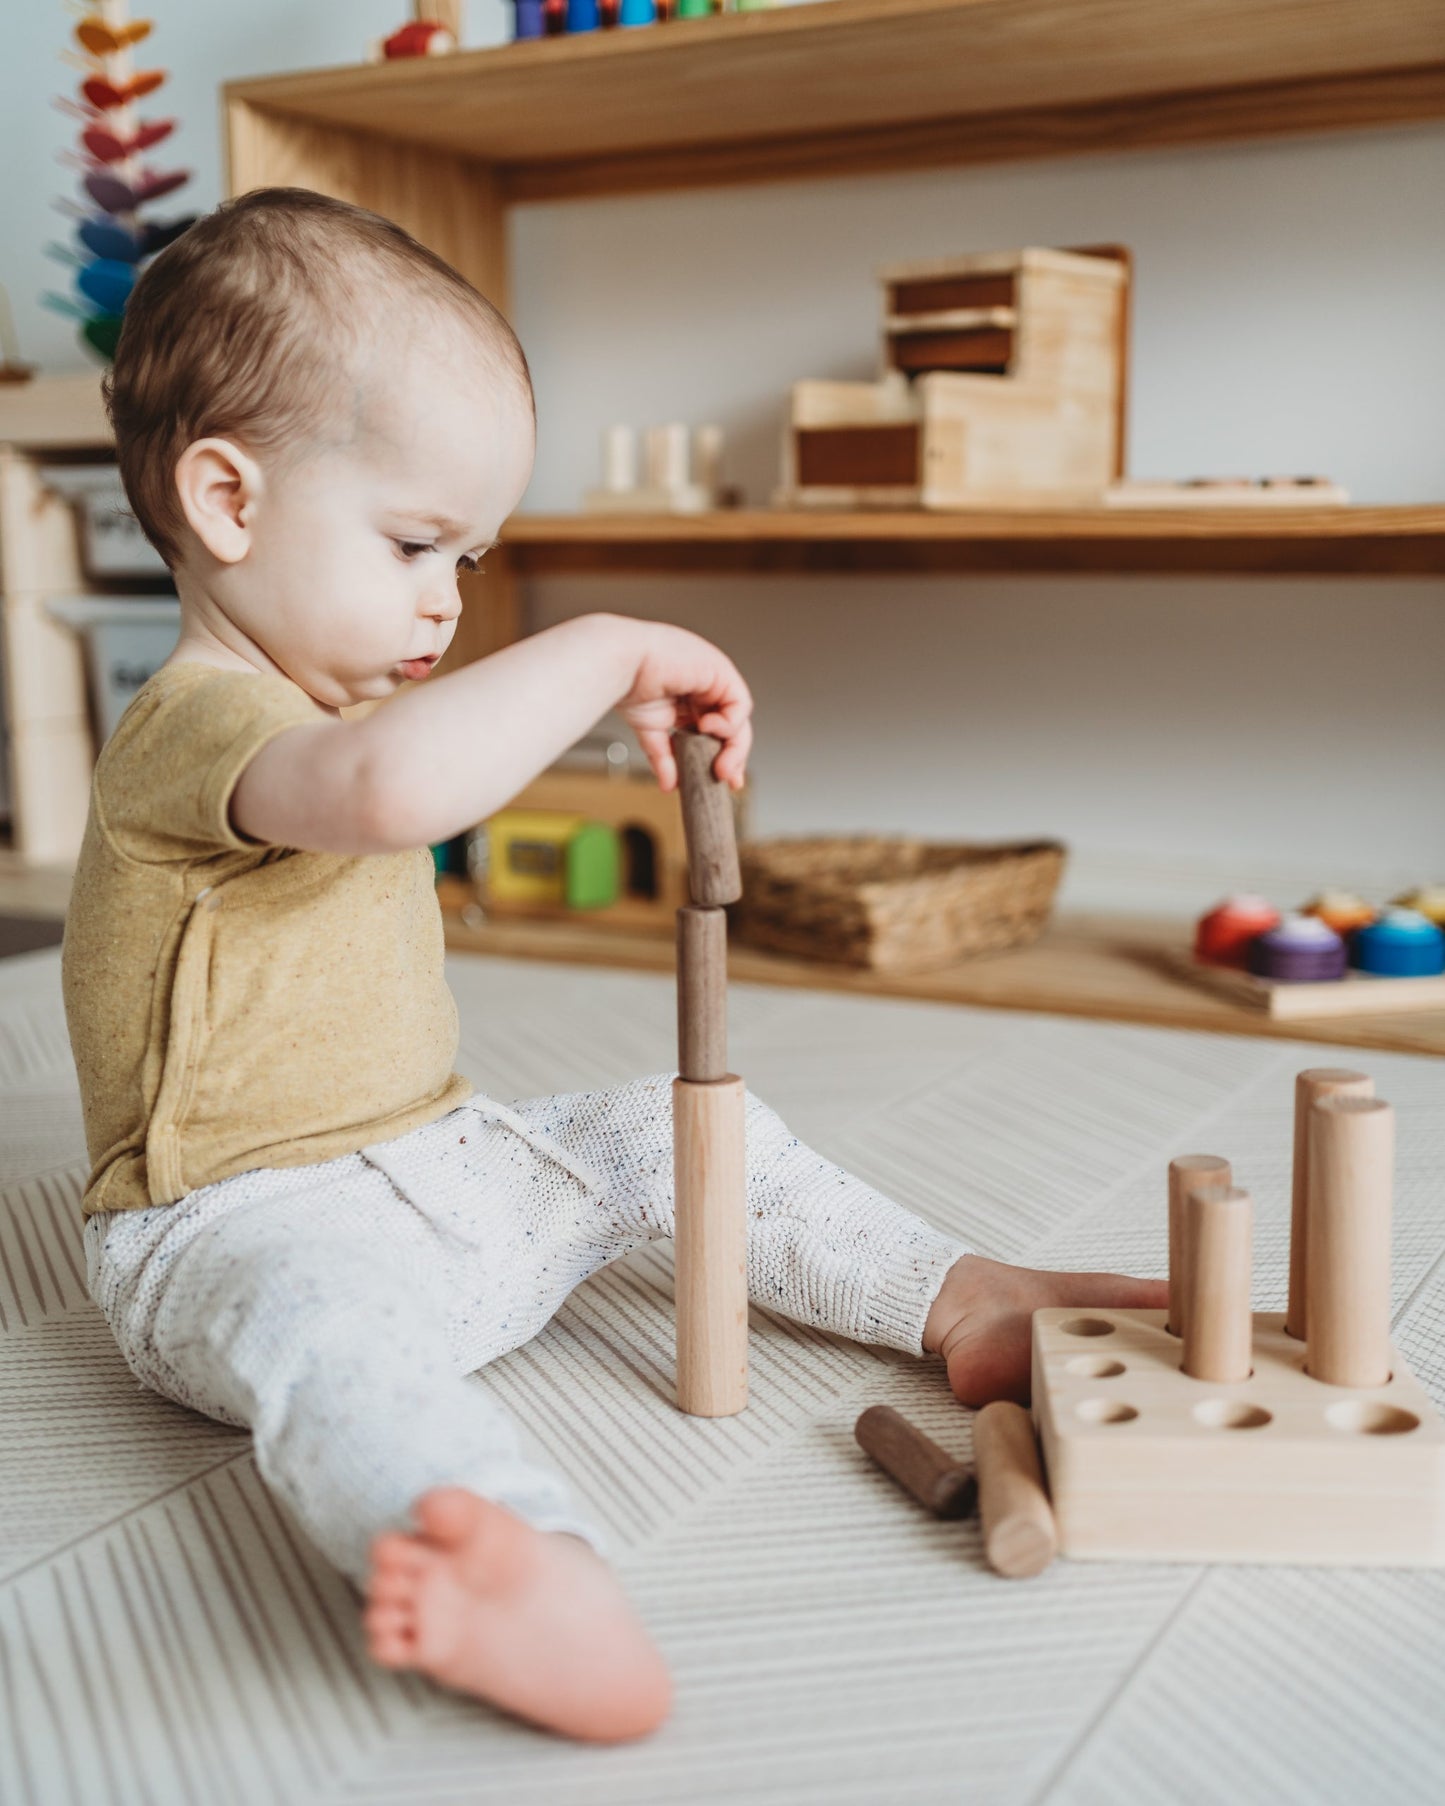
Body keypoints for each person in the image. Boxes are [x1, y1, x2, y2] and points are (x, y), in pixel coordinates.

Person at [63, 188, 1166, 1746]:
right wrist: (604, 646)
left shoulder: (328, 708)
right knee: (335, 1348)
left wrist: (581, 684)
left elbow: (415, 761)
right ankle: (517, 1555)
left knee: (667, 1126)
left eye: (476, 550)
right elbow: (393, 789)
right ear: (227, 503)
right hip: (228, 1230)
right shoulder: (196, 722)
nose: (450, 595)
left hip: (436, 1161)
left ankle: (948, 1293)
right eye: (413, 542)